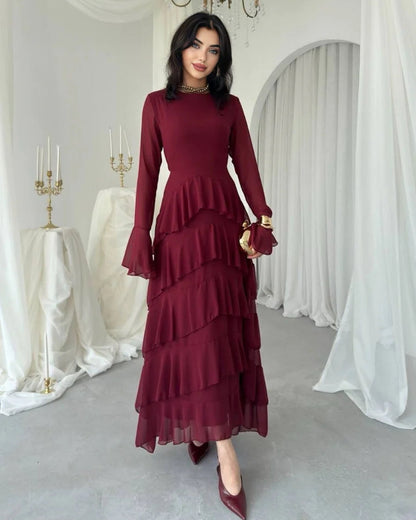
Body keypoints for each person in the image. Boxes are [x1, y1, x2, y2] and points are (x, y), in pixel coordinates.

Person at [122, 11, 277, 520]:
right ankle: (202, 423)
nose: (203, 57)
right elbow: (147, 173)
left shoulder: (229, 106)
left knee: (216, 333)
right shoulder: (156, 104)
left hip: (222, 227)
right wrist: (141, 233)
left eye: (213, 50)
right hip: (178, 229)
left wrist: (262, 217)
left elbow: (246, 164)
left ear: (221, 58)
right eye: (196, 45)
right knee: (188, 332)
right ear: (180, 47)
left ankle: (222, 447)